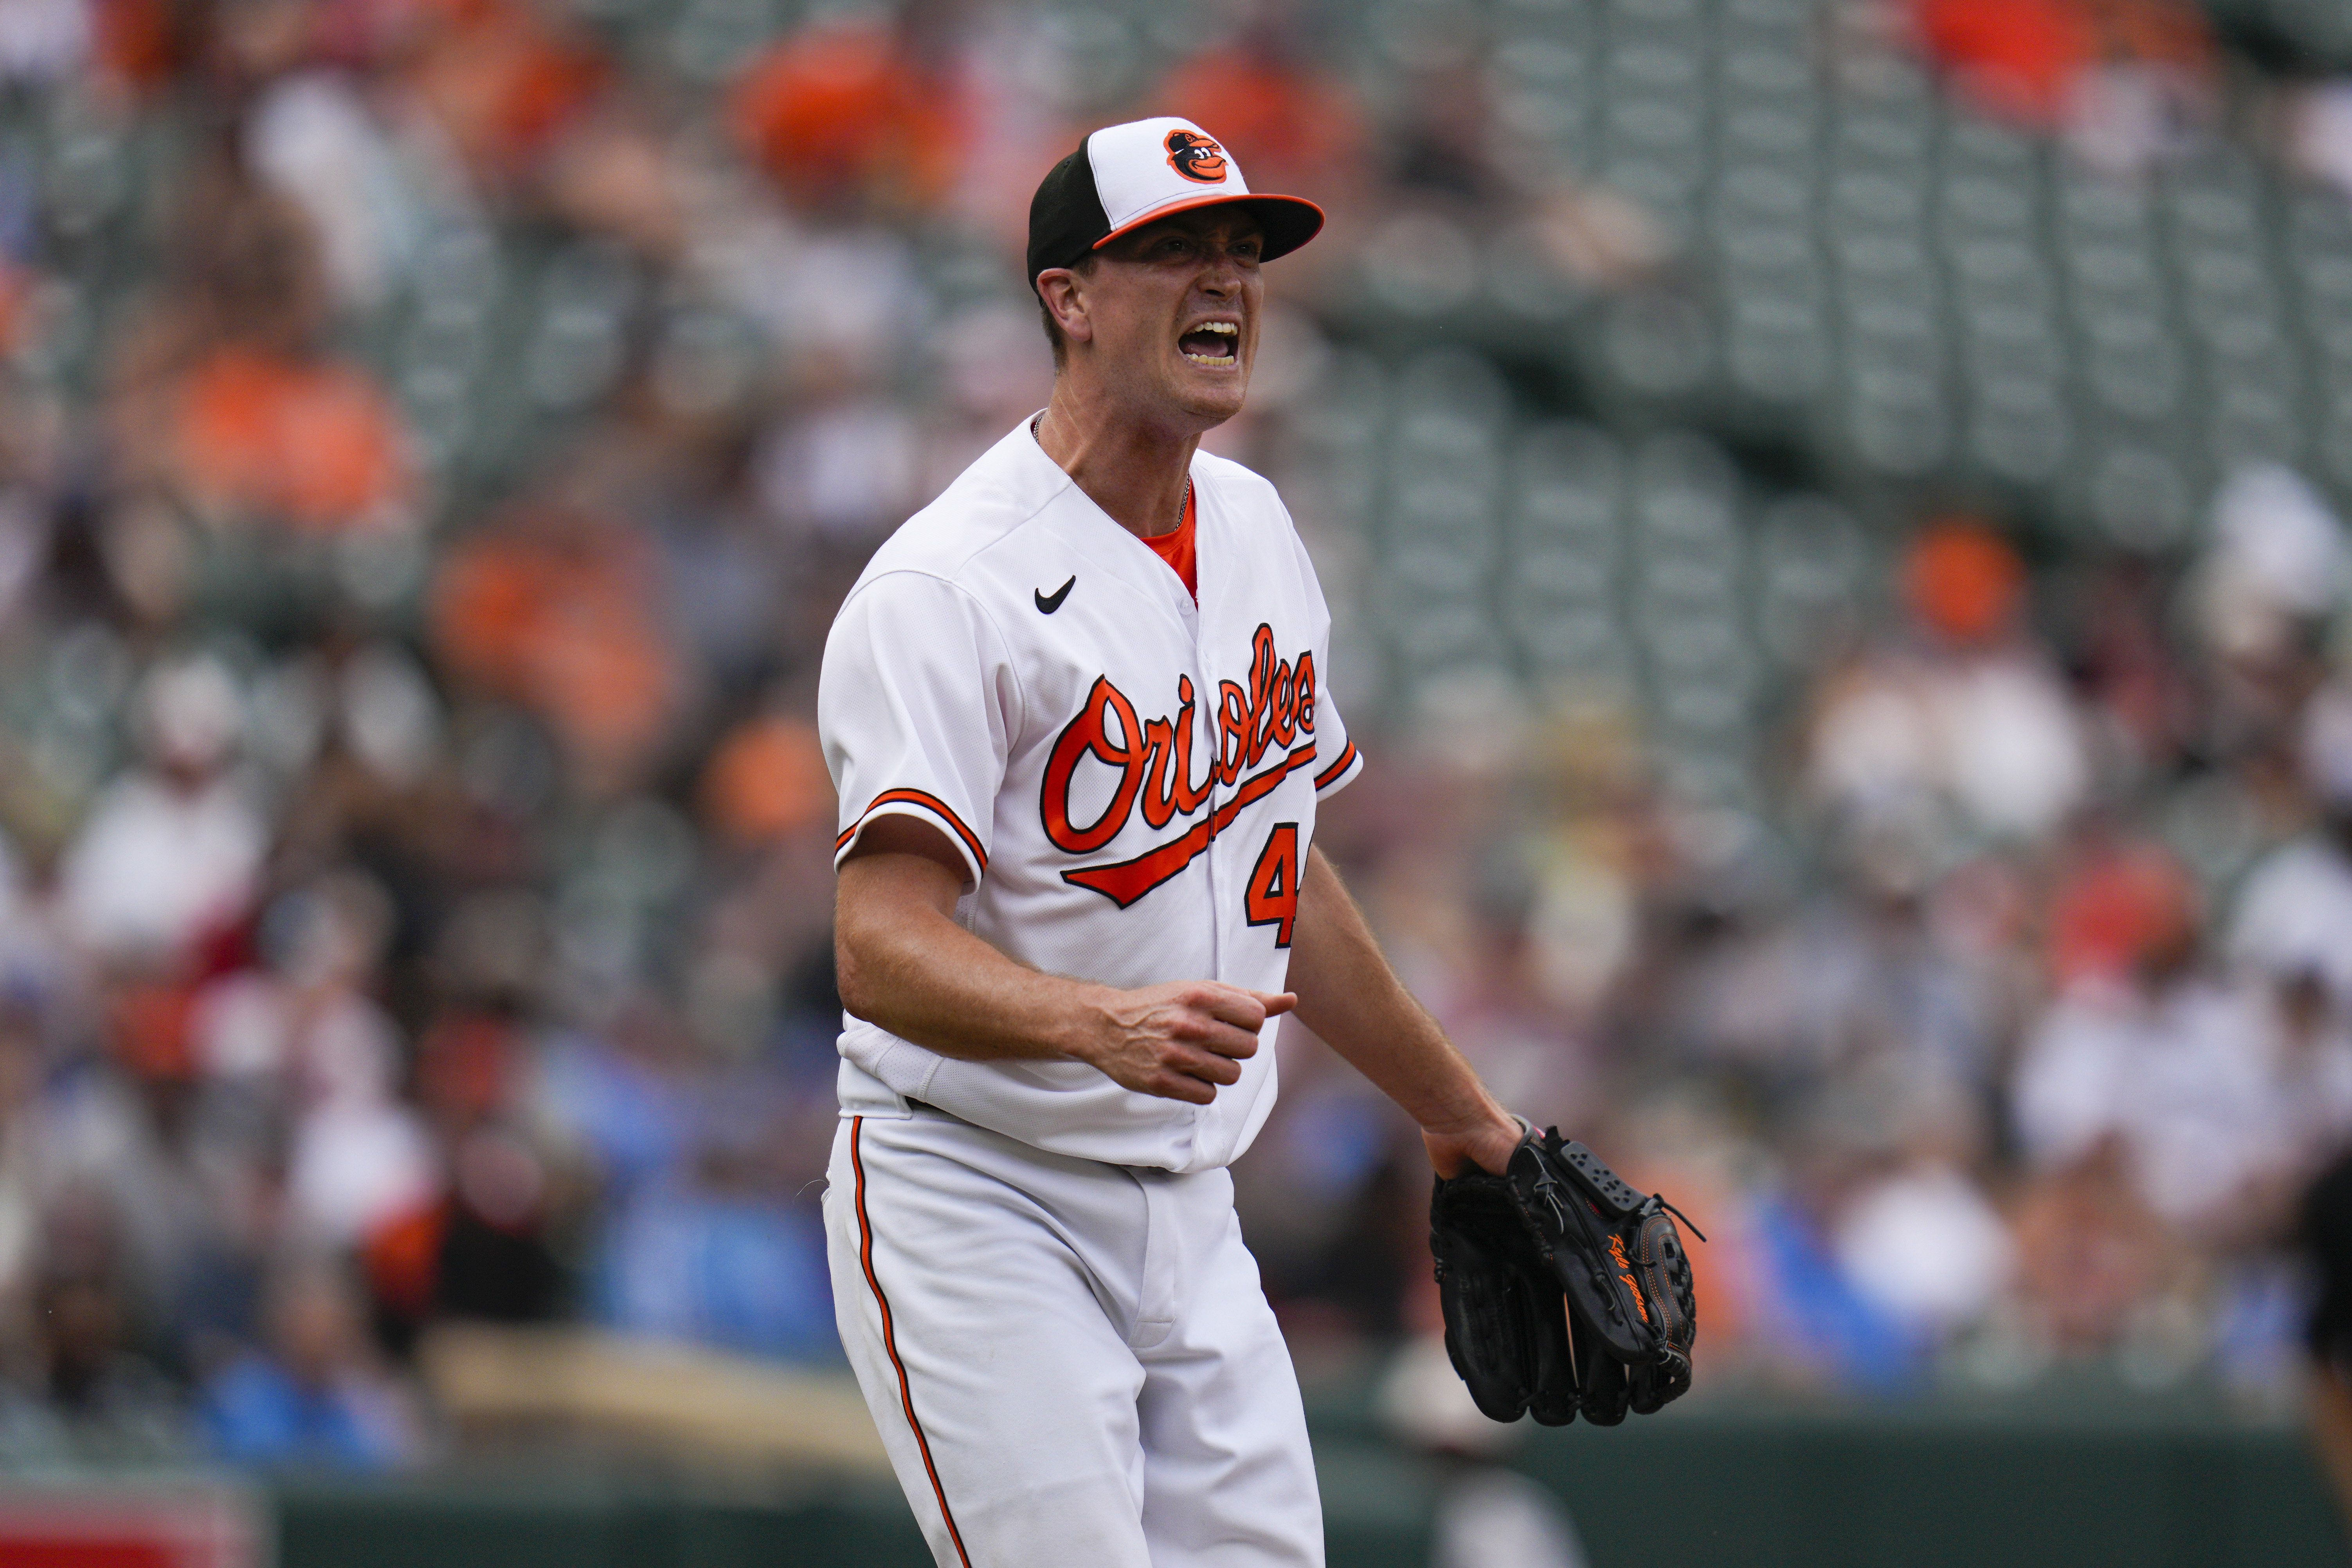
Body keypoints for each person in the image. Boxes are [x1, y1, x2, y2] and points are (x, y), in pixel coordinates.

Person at [817, 117, 1522, 1567]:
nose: (1228, 281)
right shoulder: (947, 589)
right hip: (977, 1186)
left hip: (1191, 1208)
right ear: (1068, 296)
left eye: (1242, 251)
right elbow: (874, 945)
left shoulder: (1258, 528)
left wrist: (1460, 1115)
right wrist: (1096, 1023)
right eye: (1175, 252)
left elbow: (1280, 868)